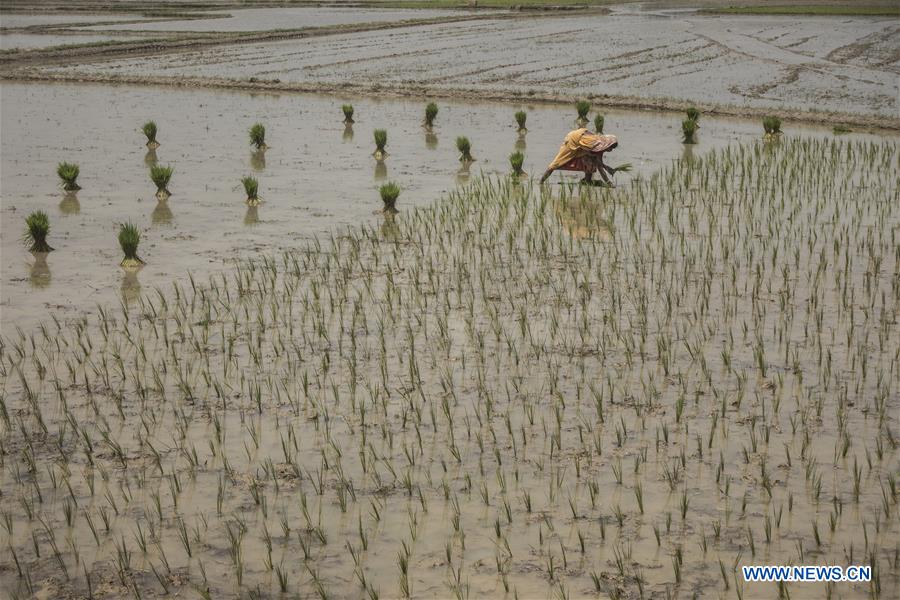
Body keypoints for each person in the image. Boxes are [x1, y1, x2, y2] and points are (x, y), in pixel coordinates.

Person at [539, 129, 618, 185]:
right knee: (556, 163)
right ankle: (541, 182)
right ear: (608, 144)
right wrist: (609, 183)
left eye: (612, 148)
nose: (611, 150)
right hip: (572, 141)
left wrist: (606, 167)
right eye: (610, 147)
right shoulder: (594, 144)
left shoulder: (601, 147)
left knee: (591, 163)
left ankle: (587, 181)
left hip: (582, 144)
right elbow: (599, 166)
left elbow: (598, 162)